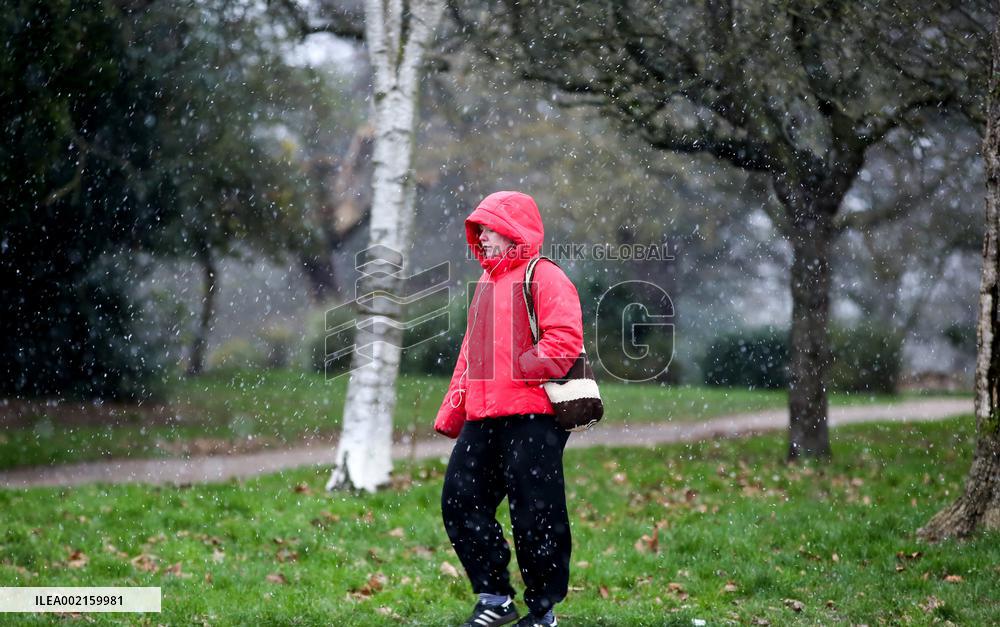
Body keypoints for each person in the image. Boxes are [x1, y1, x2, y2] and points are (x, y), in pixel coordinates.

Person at [435, 191, 584, 627]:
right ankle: (495, 598)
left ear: (513, 230)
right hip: (484, 419)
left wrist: (516, 371)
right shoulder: (484, 284)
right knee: (459, 502)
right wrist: (453, 411)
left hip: (534, 417)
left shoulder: (545, 276)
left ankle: (543, 613)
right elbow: (469, 355)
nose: (481, 235)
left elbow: (564, 340)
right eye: (477, 229)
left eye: (489, 227)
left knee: (536, 514)